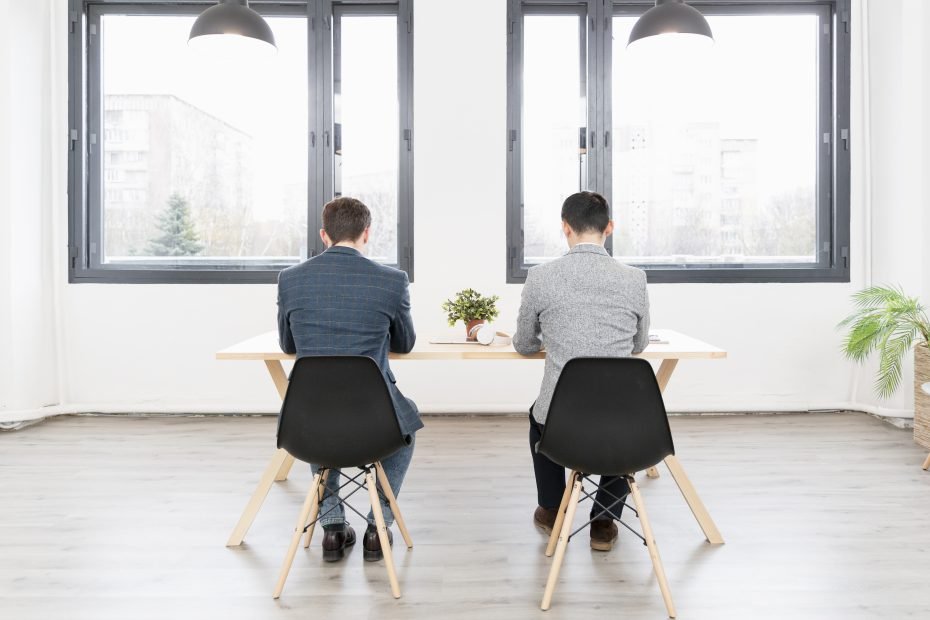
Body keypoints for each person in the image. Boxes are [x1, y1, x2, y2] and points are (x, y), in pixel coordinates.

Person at [277, 196, 422, 562]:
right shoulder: (392, 281)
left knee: (319, 406)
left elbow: (287, 343)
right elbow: (405, 342)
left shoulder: (290, 279)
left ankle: (332, 527)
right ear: (367, 233)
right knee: (406, 420)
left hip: (305, 421)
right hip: (373, 422)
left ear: (324, 235)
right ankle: (378, 527)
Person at [513, 191, 650, 552]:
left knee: (537, 416)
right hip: (619, 421)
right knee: (624, 420)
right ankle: (604, 519)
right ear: (609, 228)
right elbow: (639, 345)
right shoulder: (634, 278)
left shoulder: (541, 277)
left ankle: (553, 507)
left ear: (565, 229)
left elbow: (525, 344)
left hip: (562, 423)